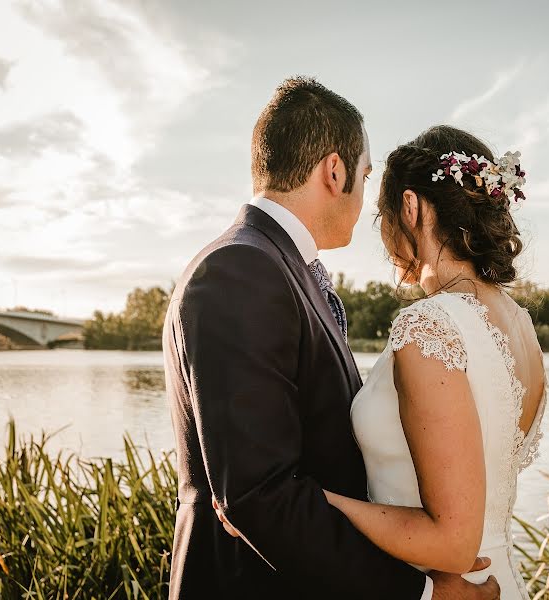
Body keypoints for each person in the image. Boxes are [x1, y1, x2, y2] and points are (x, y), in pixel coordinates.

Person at [163, 77, 500, 599]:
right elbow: (259, 495)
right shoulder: (240, 270)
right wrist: (422, 595)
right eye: (365, 177)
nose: (367, 199)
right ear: (335, 170)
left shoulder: (276, 267)